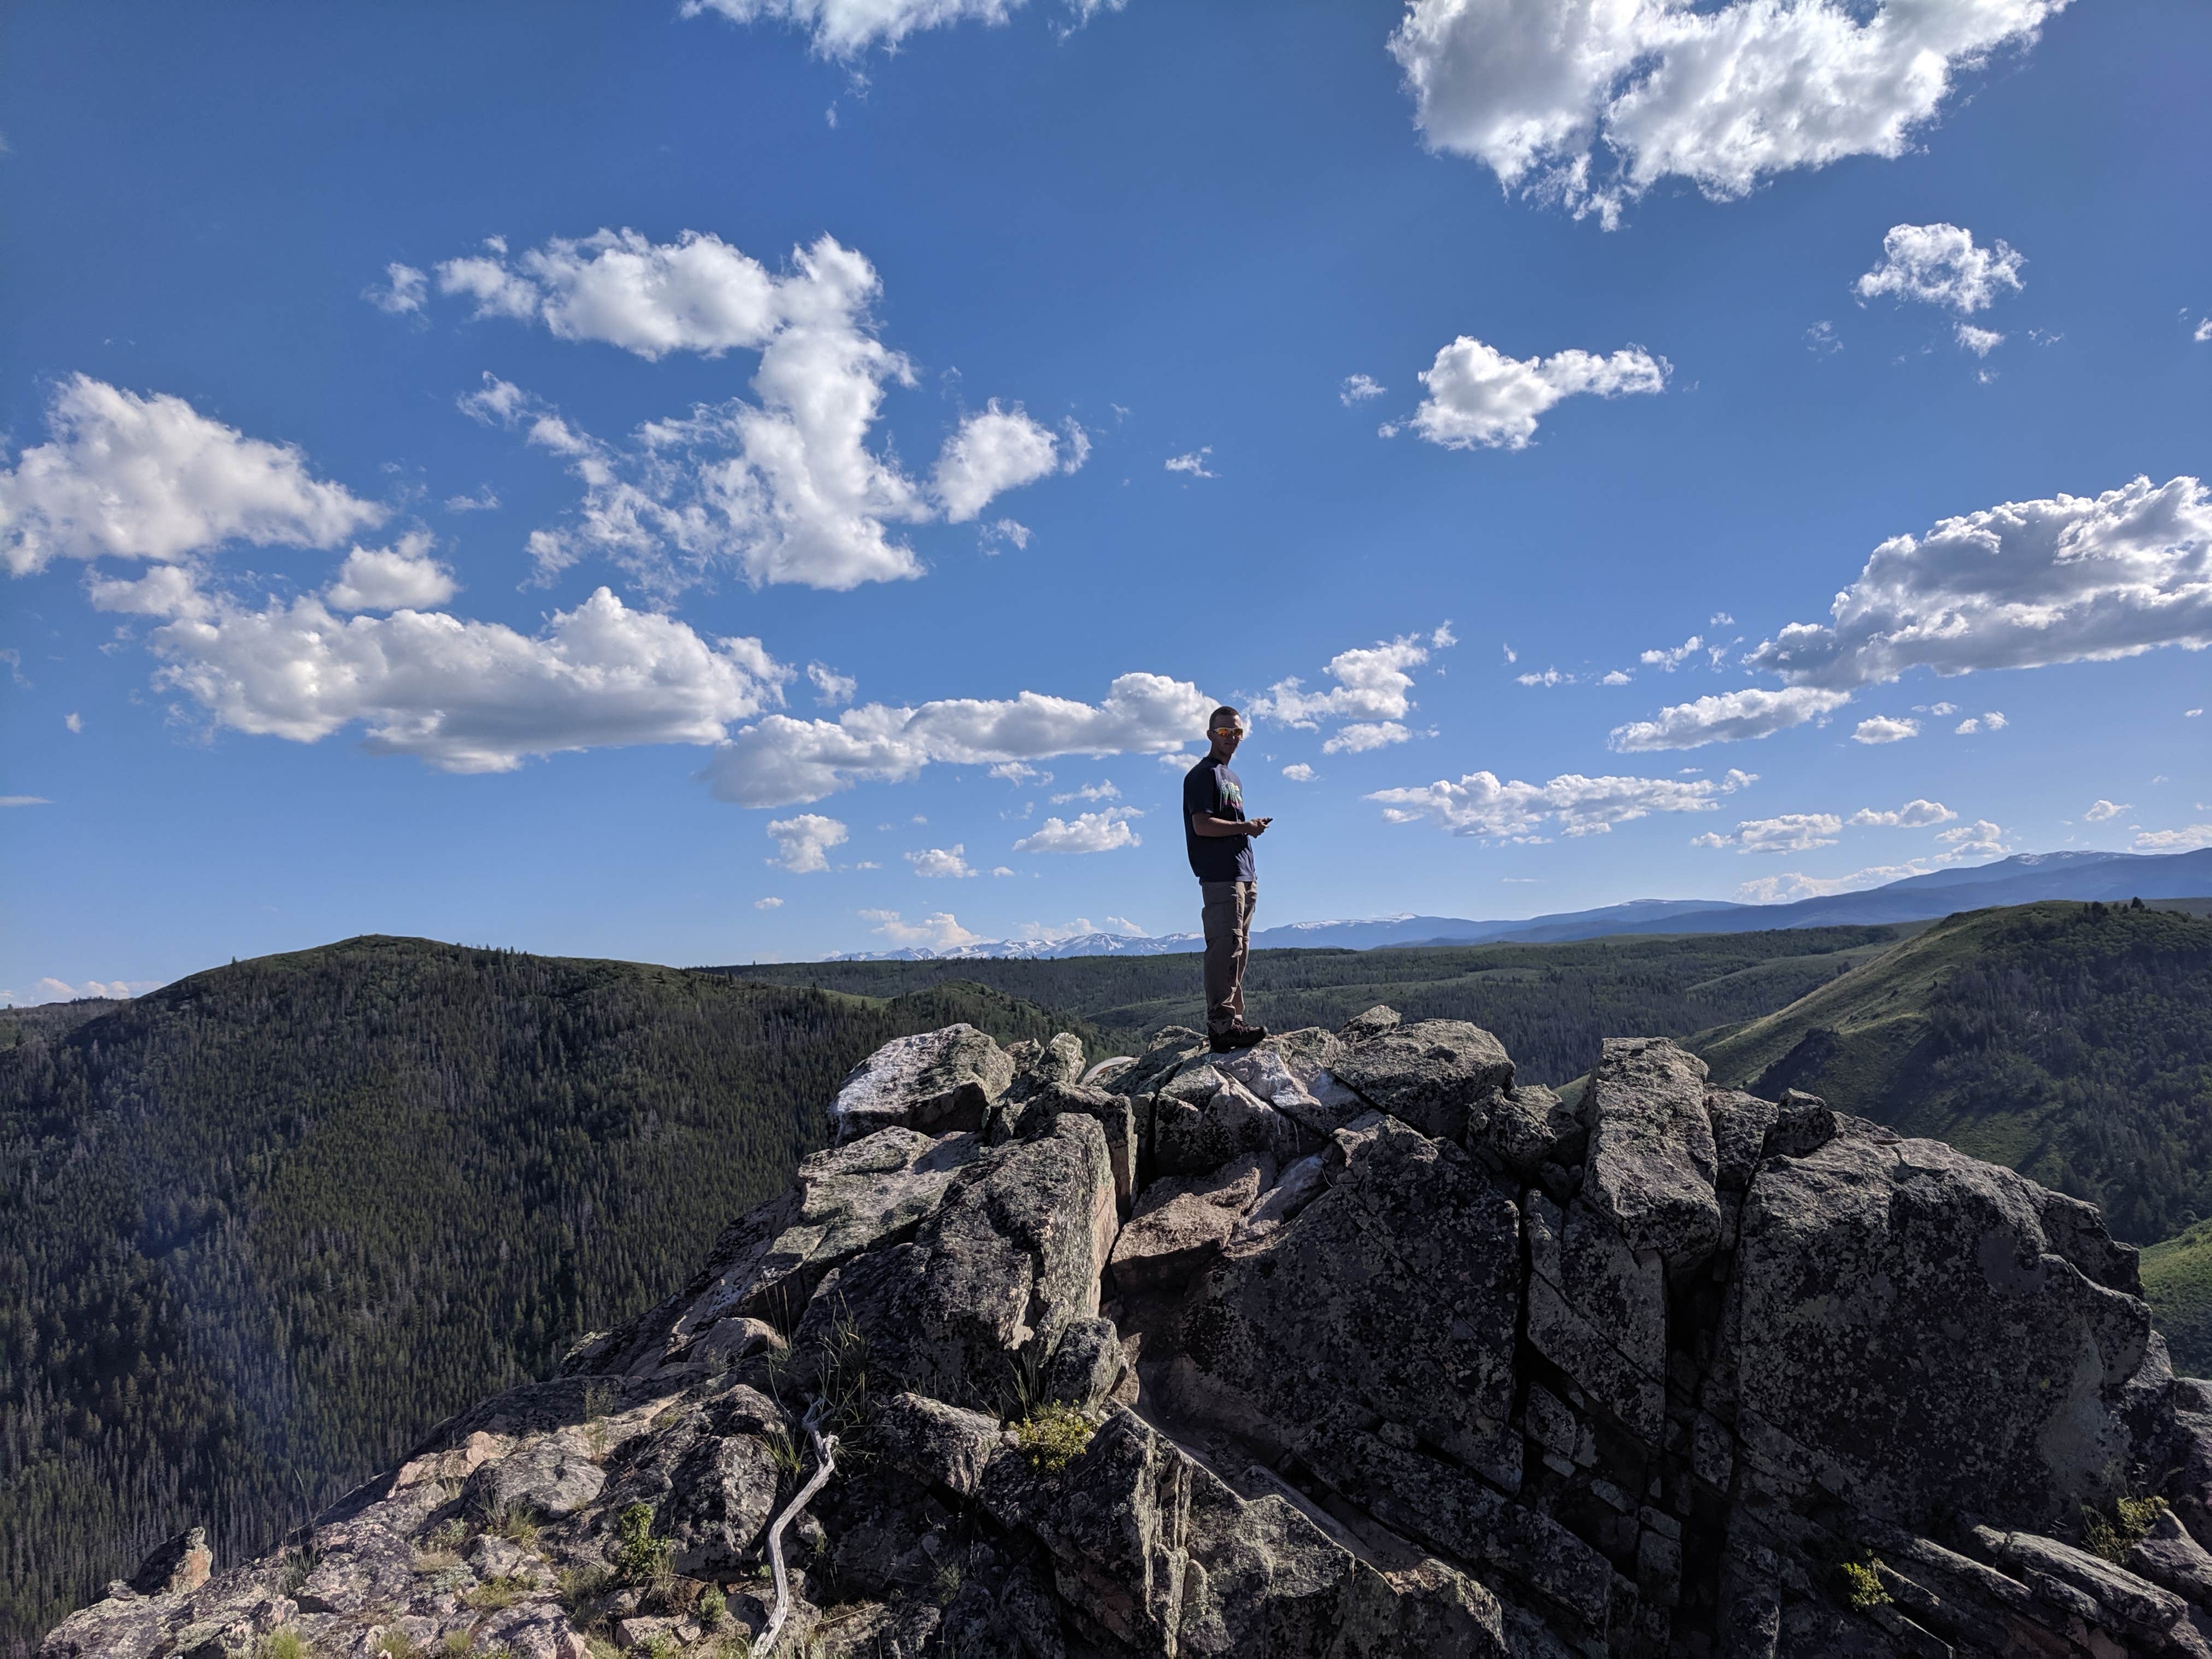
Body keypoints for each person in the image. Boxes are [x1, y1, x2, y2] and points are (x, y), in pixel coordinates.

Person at [1183, 705, 1271, 1052]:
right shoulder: (1202, 775)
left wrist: (1249, 831)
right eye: (1224, 732)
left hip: (1244, 871)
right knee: (1225, 944)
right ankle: (1221, 1026)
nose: (1231, 738)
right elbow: (1201, 824)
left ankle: (1234, 1018)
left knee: (1240, 946)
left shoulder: (1232, 778)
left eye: (1237, 733)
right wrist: (1246, 828)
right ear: (1210, 735)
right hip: (1220, 874)